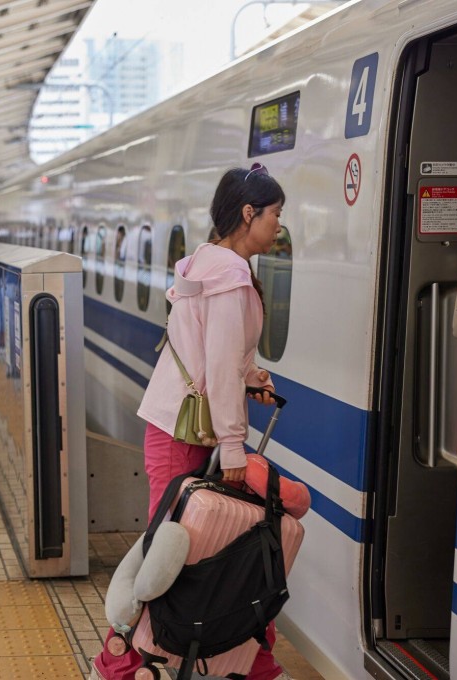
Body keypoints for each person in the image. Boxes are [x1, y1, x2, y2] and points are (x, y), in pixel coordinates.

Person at [91, 165, 288, 680]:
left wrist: (250, 377)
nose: (279, 226)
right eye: (275, 214)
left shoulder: (209, 262)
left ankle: (252, 659)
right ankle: (121, 660)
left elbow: (214, 354)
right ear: (248, 213)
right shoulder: (231, 277)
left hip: (180, 428)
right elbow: (218, 366)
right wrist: (234, 446)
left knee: (203, 545)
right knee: (168, 556)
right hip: (188, 434)